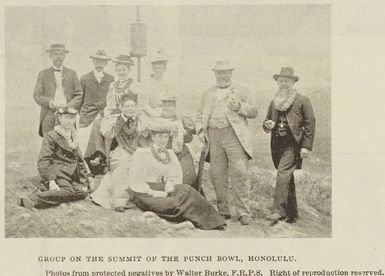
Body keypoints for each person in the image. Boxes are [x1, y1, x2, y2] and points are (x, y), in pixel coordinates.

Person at [127, 120, 226, 230]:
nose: (163, 140)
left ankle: (214, 222)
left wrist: (170, 182)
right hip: (144, 193)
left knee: (187, 189)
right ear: (153, 137)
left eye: (165, 137)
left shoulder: (169, 153)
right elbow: (134, 180)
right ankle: (197, 221)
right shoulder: (142, 153)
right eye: (159, 137)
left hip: (162, 188)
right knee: (174, 202)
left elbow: (174, 175)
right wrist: (152, 192)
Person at [195, 60, 258, 225]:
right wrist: (201, 131)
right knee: (217, 174)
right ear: (215, 74)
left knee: (240, 172)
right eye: (219, 72)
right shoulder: (207, 93)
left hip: (234, 135)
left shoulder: (241, 91)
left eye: (226, 72)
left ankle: (244, 212)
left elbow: (253, 111)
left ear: (231, 73)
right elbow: (198, 115)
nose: (223, 75)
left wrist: (239, 107)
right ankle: (223, 211)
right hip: (213, 136)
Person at [262, 67, 316, 223]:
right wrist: (267, 125)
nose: (283, 83)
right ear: (277, 82)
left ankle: (277, 211)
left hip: (293, 145)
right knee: (287, 178)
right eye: (281, 80)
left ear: (293, 82)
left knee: (282, 174)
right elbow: (265, 123)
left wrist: (306, 146)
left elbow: (310, 123)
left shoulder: (303, 100)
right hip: (277, 145)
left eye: (287, 80)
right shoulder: (274, 102)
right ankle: (292, 214)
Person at [18, 107, 90, 209]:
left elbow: (80, 161)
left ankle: (49, 190)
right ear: (59, 118)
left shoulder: (74, 137)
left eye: (72, 118)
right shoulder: (51, 136)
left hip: (72, 174)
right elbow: (44, 159)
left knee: (83, 191)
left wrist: (85, 180)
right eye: (66, 118)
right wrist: (51, 180)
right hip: (58, 172)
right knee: (68, 191)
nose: (69, 121)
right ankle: (32, 199)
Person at [91, 94, 148, 211]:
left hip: (136, 151)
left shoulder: (141, 121)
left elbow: (144, 141)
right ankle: (119, 201)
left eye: (132, 106)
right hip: (120, 152)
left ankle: (136, 198)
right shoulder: (114, 121)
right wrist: (107, 160)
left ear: (136, 107)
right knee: (122, 167)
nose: (130, 109)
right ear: (121, 107)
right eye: (127, 106)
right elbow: (108, 139)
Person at [84, 54, 141, 171]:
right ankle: (100, 153)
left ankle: (107, 161)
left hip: (128, 114)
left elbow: (138, 104)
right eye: (119, 70)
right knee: (98, 122)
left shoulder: (134, 85)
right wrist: (108, 113)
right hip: (114, 113)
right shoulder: (113, 85)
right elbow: (109, 103)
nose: (121, 72)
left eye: (124, 70)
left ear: (129, 70)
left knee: (110, 125)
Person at [33, 43, 83, 137]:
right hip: (49, 113)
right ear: (50, 56)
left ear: (64, 56)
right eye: (55, 54)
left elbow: (79, 94)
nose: (58, 57)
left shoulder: (72, 73)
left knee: (68, 144)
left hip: (68, 113)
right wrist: (52, 103)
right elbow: (37, 95)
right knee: (49, 144)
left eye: (61, 54)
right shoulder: (43, 74)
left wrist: (68, 106)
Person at [78, 49, 114, 153]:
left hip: (103, 116)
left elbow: (111, 98)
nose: (99, 64)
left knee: (101, 145)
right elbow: (79, 98)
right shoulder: (85, 78)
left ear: (106, 63)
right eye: (97, 61)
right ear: (93, 62)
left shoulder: (110, 79)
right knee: (84, 144)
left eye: (102, 61)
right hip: (87, 116)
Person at [159, 94, 198, 187]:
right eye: (165, 105)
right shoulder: (157, 120)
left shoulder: (180, 119)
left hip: (180, 152)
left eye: (170, 106)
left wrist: (182, 133)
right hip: (163, 151)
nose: (167, 108)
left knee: (186, 173)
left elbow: (190, 138)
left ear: (174, 107)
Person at [141, 50, 171, 117]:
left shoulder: (167, 83)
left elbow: (169, 101)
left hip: (164, 111)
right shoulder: (147, 83)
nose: (157, 70)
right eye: (155, 68)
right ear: (152, 68)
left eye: (160, 68)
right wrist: (154, 114)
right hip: (150, 112)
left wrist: (165, 112)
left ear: (164, 69)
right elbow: (145, 104)